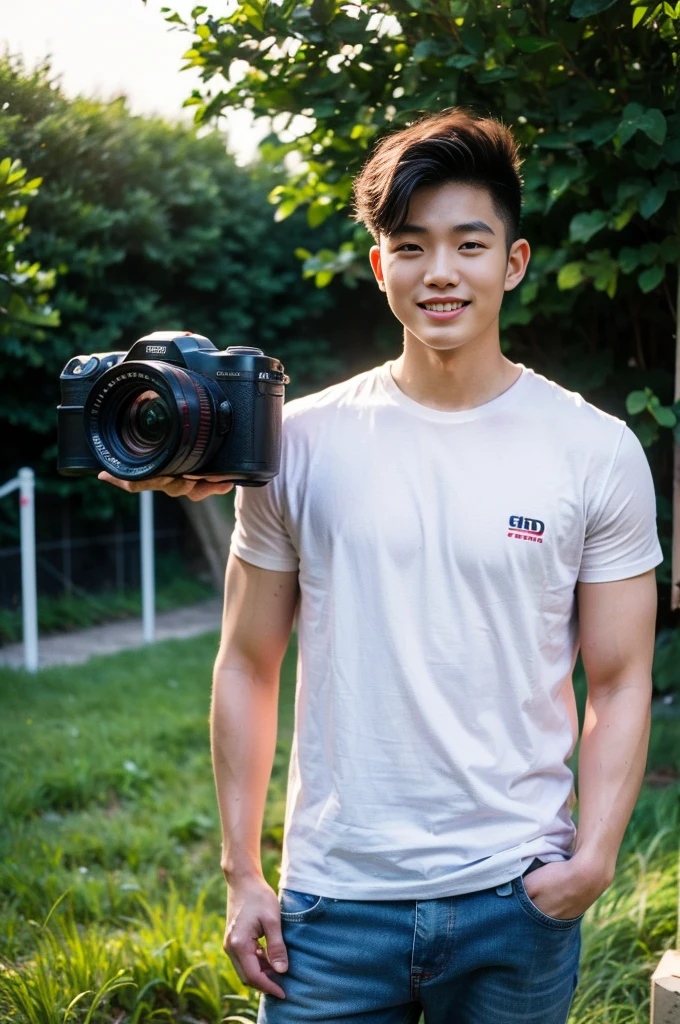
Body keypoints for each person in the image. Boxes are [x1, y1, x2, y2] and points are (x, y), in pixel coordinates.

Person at [100, 106, 663, 1023]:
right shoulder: (300, 443)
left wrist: (593, 857)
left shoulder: (593, 451)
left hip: (515, 898)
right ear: (380, 266)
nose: (439, 271)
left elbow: (622, 674)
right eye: (411, 246)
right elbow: (247, 661)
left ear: (512, 263)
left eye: (468, 244)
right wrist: (243, 872)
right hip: (331, 908)